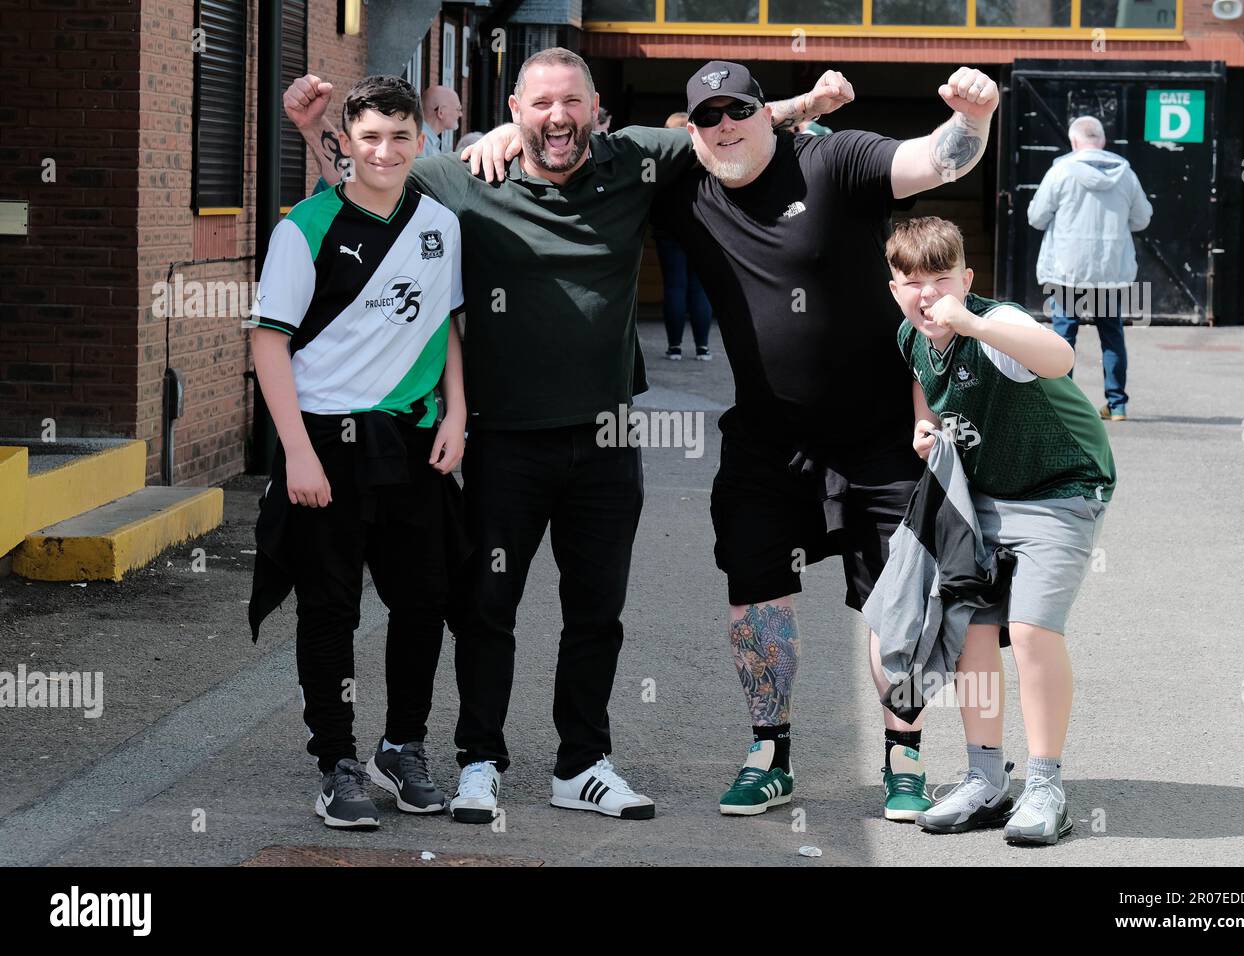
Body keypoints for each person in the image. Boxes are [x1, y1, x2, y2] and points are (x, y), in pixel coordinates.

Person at [284, 50, 841, 825]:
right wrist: (319, 131)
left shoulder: (634, 159)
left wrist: (809, 99)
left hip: (607, 436)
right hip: (503, 438)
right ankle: (479, 758)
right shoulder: (462, 177)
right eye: (541, 103)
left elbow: (726, 131)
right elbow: (368, 187)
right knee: (486, 608)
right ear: (515, 108)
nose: (557, 118)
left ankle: (582, 763)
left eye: (571, 102)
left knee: (596, 612)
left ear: (596, 107)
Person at [646, 60, 1001, 820]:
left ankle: (904, 760)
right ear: (694, 129)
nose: (724, 126)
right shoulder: (686, 189)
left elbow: (934, 159)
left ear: (762, 111)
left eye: (739, 109)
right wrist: (509, 132)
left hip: (883, 440)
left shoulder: (831, 162)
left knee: (899, 608)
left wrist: (974, 120)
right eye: (707, 117)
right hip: (767, 445)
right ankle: (769, 757)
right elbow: (582, 155)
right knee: (756, 597)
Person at [246, 75, 468, 829]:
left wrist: (458, 415)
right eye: (370, 137)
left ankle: (401, 746)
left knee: (424, 602)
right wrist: (297, 453)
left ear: (421, 140)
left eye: (400, 137)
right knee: (330, 609)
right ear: (347, 140)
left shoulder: (440, 223)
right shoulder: (303, 227)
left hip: (412, 443)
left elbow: (450, 329)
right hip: (327, 448)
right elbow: (268, 344)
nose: (385, 150)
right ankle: (336, 761)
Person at [878, 215, 1115, 846]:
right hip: (983, 494)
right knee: (972, 631)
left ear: (968, 278)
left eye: (941, 279)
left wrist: (976, 323)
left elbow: (1059, 356)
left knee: (1032, 629)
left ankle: (1044, 787)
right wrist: (922, 429)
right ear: (893, 285)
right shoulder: (911, 335)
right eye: (911, 281)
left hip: (1061, 489)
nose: (927, 294)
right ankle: (985, 780)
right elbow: (927, 384)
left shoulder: (994, 326)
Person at [1027, 115, 1152, 421]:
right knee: (1112, 336)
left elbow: (1036, 217)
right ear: (1102, 141)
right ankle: (1117, 404)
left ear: (1073, 141)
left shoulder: (1061, 172)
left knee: (1063, 337)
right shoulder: (1125, 174)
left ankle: (1064, 407)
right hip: (1110, 272)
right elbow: (1142, 219)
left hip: (1067, 270)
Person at [656, 111, 713, 361]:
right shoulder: (706, 159)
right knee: (700, 289)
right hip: (702, 230)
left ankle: (675, 347)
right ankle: (703, 348)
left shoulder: (661, 160)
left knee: (674, 287)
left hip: (669, 230)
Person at [420, 84, 464, 156]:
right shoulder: (422, 144)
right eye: (458, 109)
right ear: (441, 112)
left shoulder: (428, 141)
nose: (460, 114)